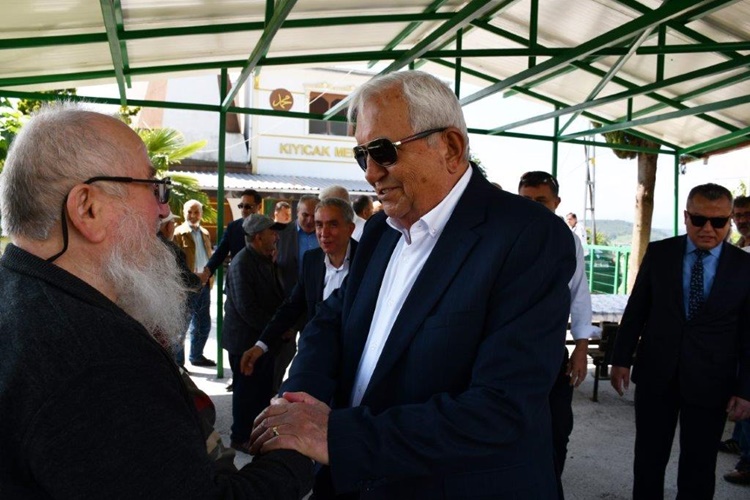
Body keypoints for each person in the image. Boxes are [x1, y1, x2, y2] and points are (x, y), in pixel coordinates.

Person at [249, 70, 576, 498]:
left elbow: (501, 408)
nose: (371, 173)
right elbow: (330, 322)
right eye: (362, 155)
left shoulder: (528, 236)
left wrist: (337, 436)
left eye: (383, 152)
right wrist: (299, 403)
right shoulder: (381, 232)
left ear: (451, 147)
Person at [0, 104, 312, 498]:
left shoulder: (20, 290)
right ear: (88, 208)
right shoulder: (101, 361)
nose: (164, 210)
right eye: (153, 188)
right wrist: (296, 452)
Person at [610, 183, 750, 499]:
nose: (708, 229)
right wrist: (620, 359)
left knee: (699, 465)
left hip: (712, 381)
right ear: (686, 217)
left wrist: (746, 390)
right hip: (656, 374)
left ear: (729, 220)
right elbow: (637, 310)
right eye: (699, 219)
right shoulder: (660, 253)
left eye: (719, 221)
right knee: (648, 459)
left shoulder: (744, 267)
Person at [518, 171, 599, 499]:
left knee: (558, 427)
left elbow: (579, 294)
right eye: (526, 200)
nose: (534, 207)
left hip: (551, 351)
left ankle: (551, 486)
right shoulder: (504, 234)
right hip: (507, 350)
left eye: (541, 201)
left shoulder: (568, 240)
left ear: (556, 203)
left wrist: (581, 347)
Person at [240, 197, 357, 376]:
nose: (324, 233)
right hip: (316, 354)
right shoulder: (312, 260)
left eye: (333, 224)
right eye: (319, 225)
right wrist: (260, 345)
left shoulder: (368, 261)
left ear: (350, 228)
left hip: (354, 358)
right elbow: (292, 305)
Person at [222, 213, 287, 454]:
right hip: (245, 343)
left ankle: (255, 434)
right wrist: (276, 331)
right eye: (272, 232)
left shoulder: (263, 259)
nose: (276, 237)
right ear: (258, 237)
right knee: (246, 394)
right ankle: (240, 437)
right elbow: (247, 309)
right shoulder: (242, 263)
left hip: (261, 341)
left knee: (260, 392)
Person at [273, 194, 320, 390]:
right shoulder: (281, 235)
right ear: (296, 213)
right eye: (305, 215)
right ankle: (274, 392)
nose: (309, 220)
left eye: (313, 215)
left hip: (316, 306)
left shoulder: (324, 233)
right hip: (288, 303)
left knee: (312, 356)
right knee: (282, 356)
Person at [722, 195, 750, 485]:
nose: (742, 220)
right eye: (737, 215)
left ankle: (748, 463)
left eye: (747, 214)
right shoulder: (739, 245)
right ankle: (739, 441)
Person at [173, 199, 216, 367]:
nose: (192, 215)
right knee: (182, 325)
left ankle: (196, 356)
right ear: (184, 213)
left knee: (203, 323)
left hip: (204, 284)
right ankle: (178, 363)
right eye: (189, 212)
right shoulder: (178, 233)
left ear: (201, 214)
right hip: (188, 286)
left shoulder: (205, 233)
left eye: (196, 212)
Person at [204, 189, 261, 279]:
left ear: (259, 207)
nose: (243, 210)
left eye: (248, 206)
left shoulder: (267, 228)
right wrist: (207, 272)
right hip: (237, 277)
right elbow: (220, 252)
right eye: (241, 206)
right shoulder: (233, 228)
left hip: (260, 280)